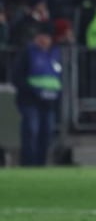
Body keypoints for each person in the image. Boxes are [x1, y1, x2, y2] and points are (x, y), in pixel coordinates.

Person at [13, 20, 62, 166]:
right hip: (30, 100)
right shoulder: (28, 52)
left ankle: (40, 164)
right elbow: (17, 76)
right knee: (31, 132)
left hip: (49, 101)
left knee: (45, 134)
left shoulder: (54, 53)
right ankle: (28, 164)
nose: (45, 41)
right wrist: (32, 91)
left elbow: (58, 78)